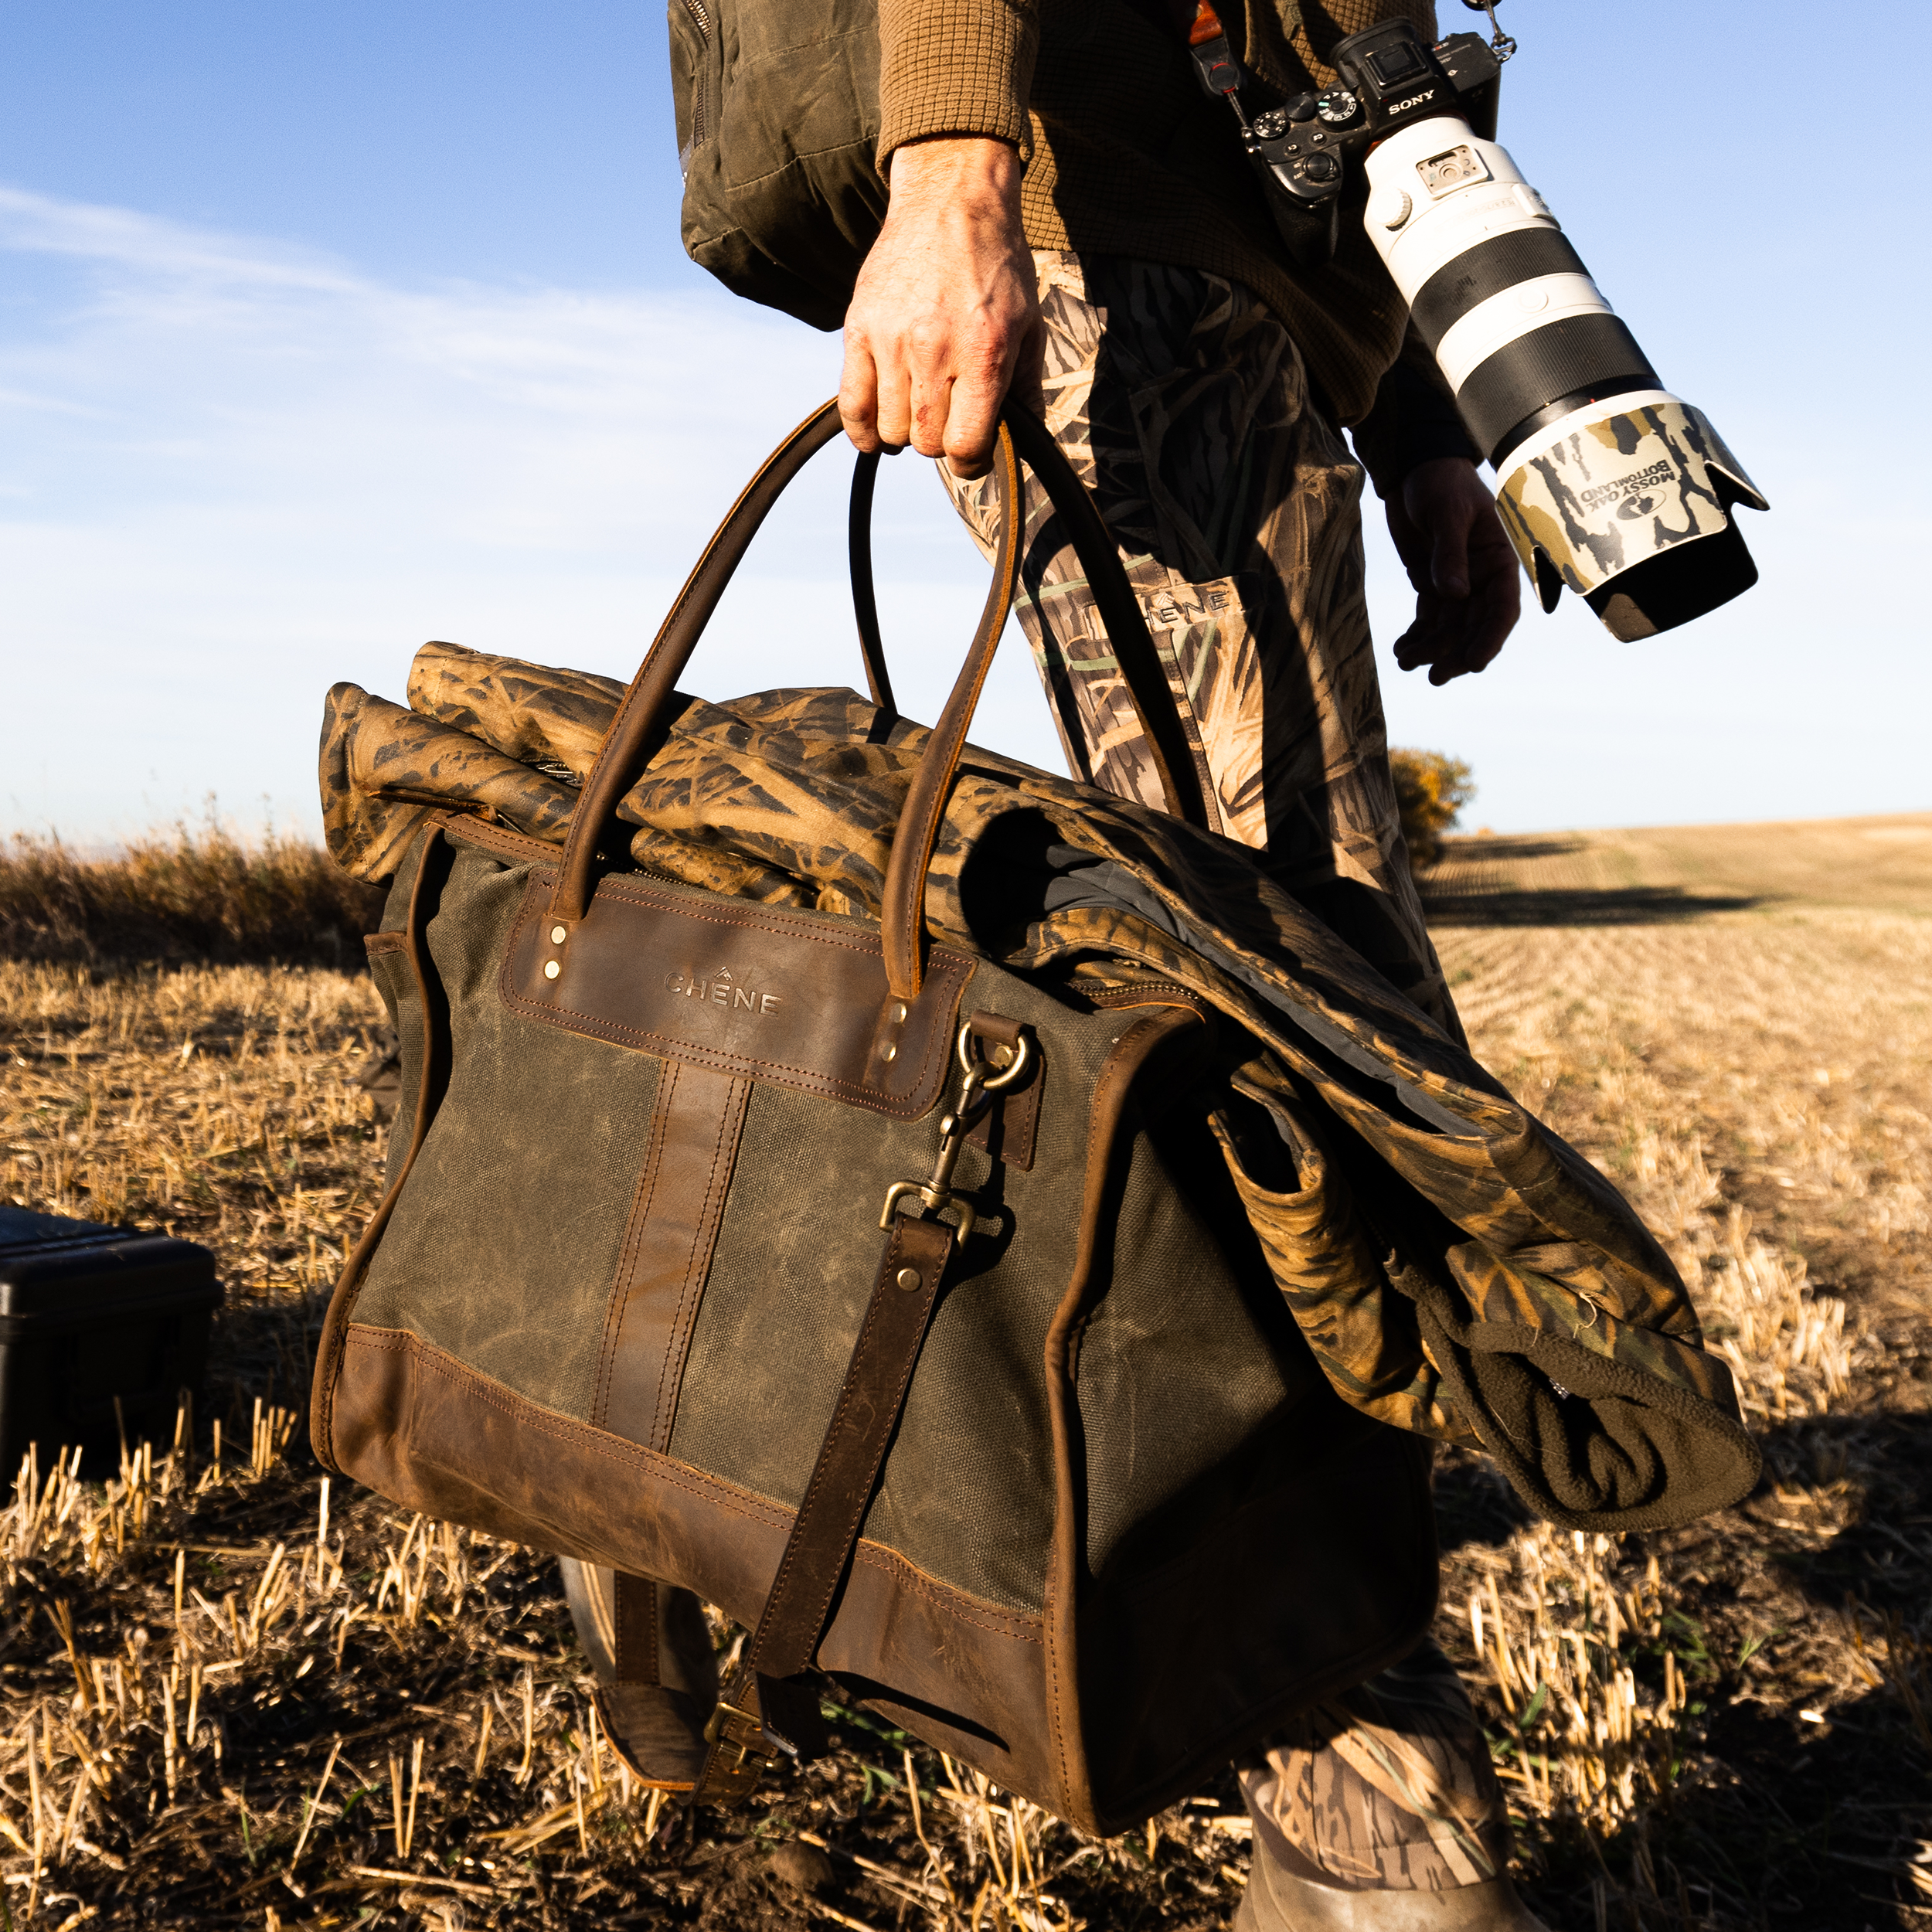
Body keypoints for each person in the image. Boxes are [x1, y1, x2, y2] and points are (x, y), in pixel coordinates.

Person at [570, 3, 1543, 1925]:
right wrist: (952, 167)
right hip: (1095, 215)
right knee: (1289, 1047)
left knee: (1242, 1010)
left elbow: (1375, 38)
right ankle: (1369, 1821)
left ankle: (683, 1455)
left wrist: (1422, 401)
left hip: (1250, 281)